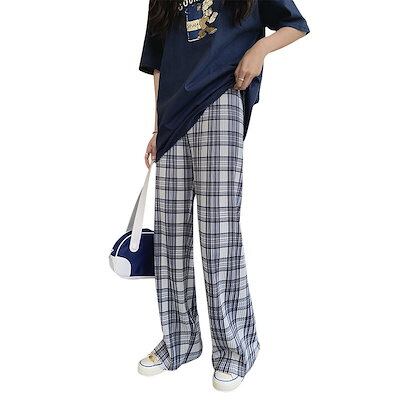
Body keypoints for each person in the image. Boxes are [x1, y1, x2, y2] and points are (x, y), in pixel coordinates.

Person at [137, 0, 309, 391]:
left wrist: (259, 49)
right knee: (170, 237)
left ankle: (235, 348)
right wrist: (157, 128)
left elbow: (295, 24)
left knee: (218, 233)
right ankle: (179, 341)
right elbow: (159, 63)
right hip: (173, 119)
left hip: (220, 98)